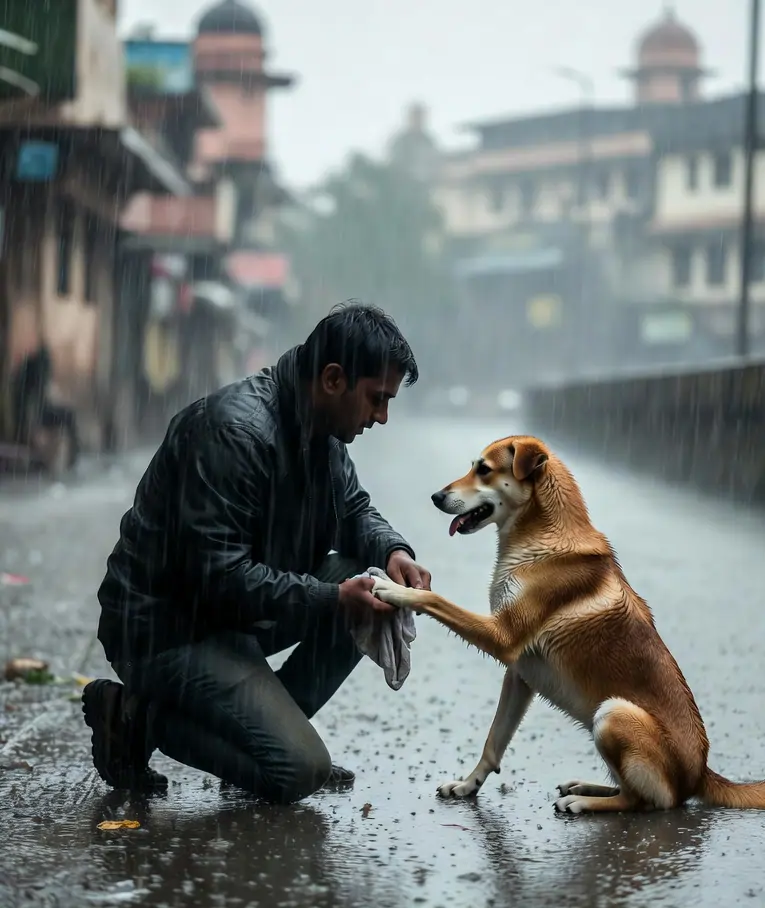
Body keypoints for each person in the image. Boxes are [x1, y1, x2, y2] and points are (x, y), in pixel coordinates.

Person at [83, 302, 431, 803]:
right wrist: (332, 597)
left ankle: (262, 743)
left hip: (230, 617)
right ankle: (136, 717)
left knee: (374, 584)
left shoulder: (320, 432)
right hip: (166, 629)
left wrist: (394, 549)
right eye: (376, 399)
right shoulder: (235, 432)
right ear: (333, 379)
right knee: (299, 772)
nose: (381, 417)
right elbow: (218, 577)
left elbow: (353, 510)